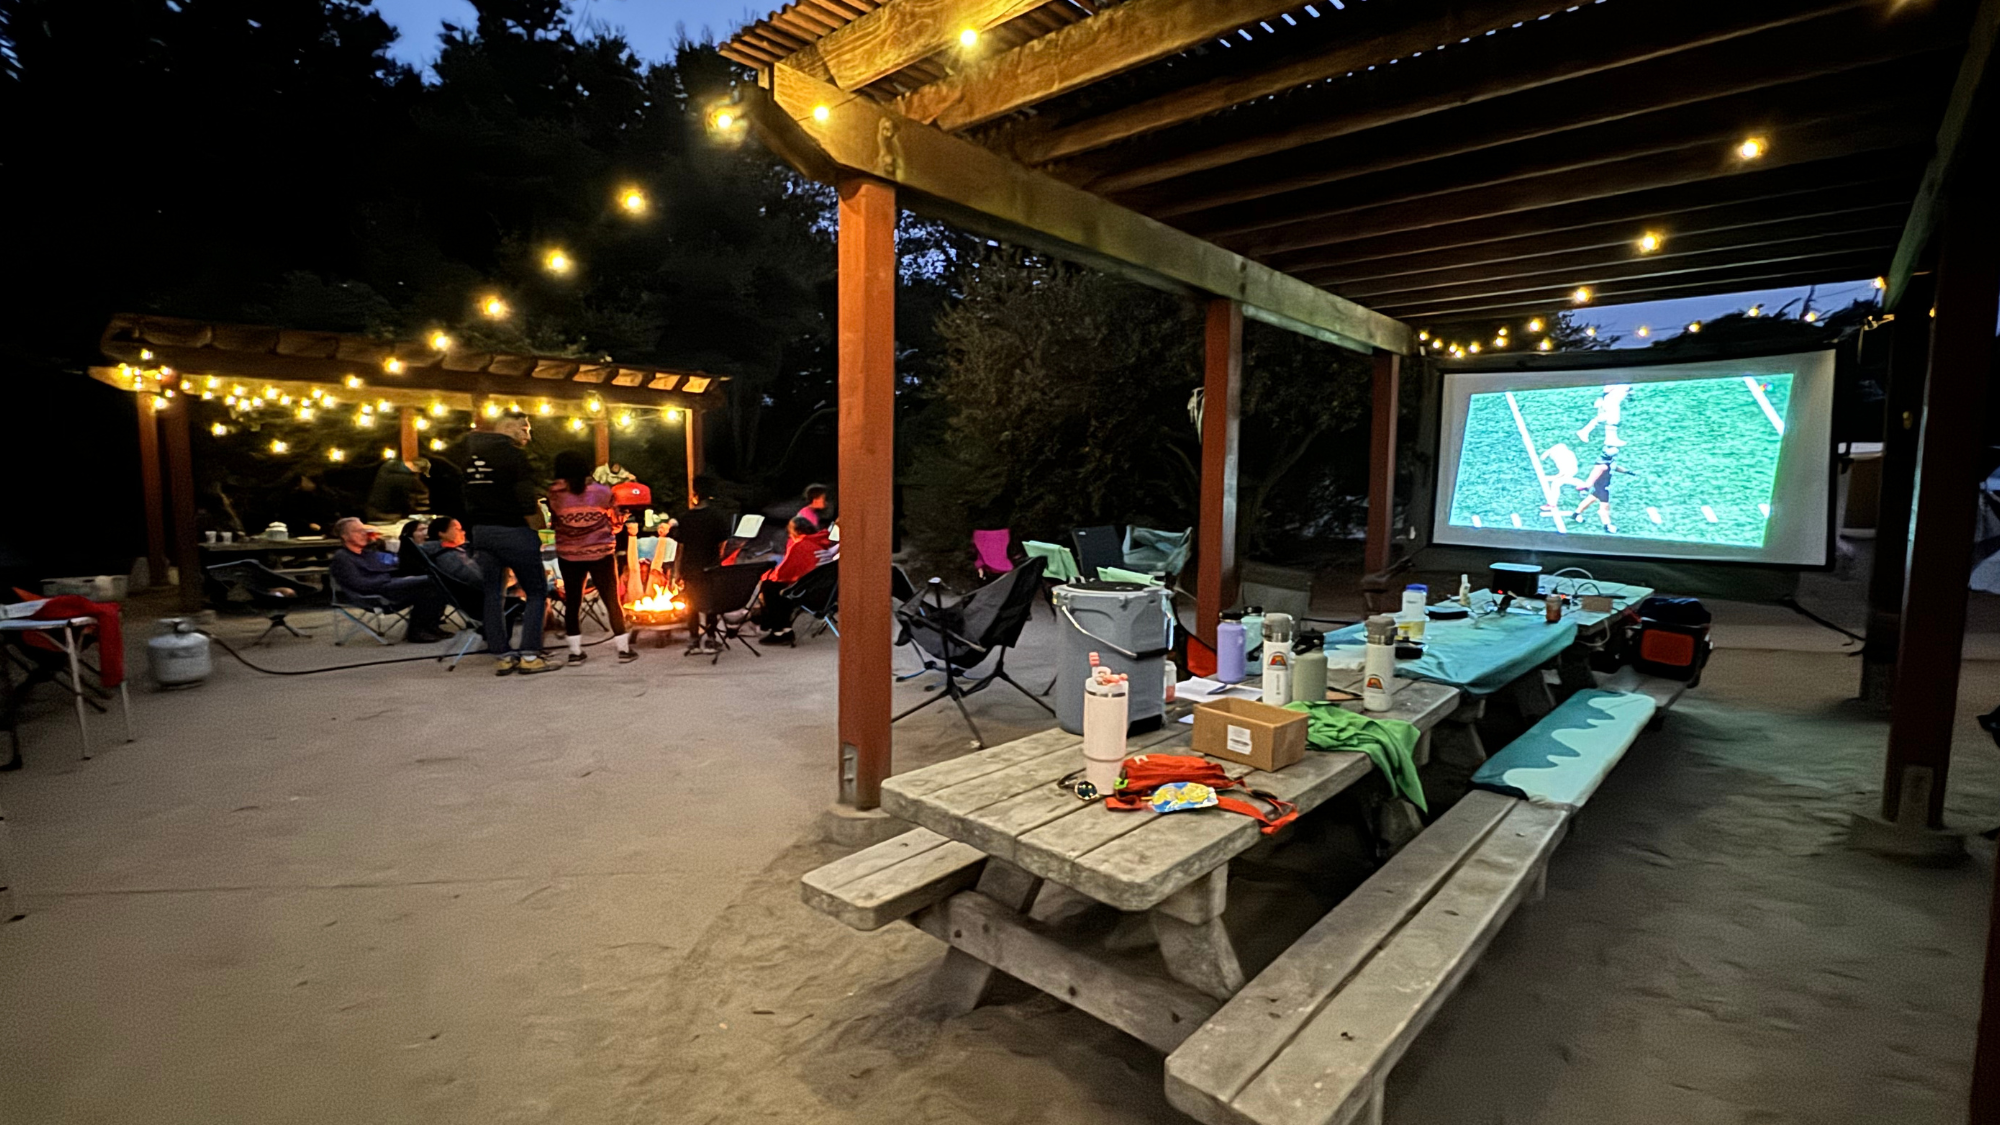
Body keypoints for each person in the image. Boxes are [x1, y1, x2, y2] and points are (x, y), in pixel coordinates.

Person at [463, 410, 556, 675]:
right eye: (524, 428)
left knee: (493, 594)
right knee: (537, 591)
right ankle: (529, 656)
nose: (528, 434)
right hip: (513, 530)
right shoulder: (513, 456)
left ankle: (502, 655)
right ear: (508, 427)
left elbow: (465, 496)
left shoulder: (470, 457)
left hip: (482, 532)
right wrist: (539, 528)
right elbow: (526, 500)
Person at [549, 450, 636, 665]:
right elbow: (615, 525)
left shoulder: (554, 493)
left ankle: (575, 653)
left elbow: (554, 523)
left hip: (569, 554)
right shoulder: (602, 492)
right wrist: (622, 518)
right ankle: (624, 650)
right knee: (612, 600)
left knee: (573, 601)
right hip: (601, 553)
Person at [328, 517, 450, 643]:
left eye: (364, 530)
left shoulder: (368, 553)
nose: (363, 534)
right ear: (345, 536)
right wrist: (388, 579)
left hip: (388, 586)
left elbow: (393, 566)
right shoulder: (343, 557)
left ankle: (429, 628)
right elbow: (359, 584)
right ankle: (418, 632)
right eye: (357, 531)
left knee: (436, 582)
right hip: (376, 594)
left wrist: (378, 544)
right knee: (430, 582)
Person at [669, 474, 734, 652]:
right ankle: (711, 637)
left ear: (695, 494)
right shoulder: (718, 517)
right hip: (710, 566)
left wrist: (677, 571)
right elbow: (722, 544)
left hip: (690, 567)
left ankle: (693, 638)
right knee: (710, 603)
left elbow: (680, 548)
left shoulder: (685, 518)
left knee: (692, 604)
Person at [752, 516, 834, 645]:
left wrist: (766, 576)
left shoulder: (800, 546)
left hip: (806, 594)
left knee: (770, 587)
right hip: (823, 594)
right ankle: (784, 629)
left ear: (793, 531)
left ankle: (778, 631)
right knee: (777, 587)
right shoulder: (821, 543)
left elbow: (784, 572)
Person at [1572, 449, 1638, 533]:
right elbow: (1592, 478)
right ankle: (1607, 525)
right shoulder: (1601, 466)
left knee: (1591, 498)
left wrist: (1627, 472)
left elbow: (1614, 467)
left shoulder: (1609, 461)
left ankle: (1576, 514)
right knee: (1604, 508)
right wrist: (1585, 487)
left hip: (1603, 486)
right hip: (1602, 488)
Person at [1577, 384, 1632, 448]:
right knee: (1613, 419)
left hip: (1611, 401)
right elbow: (1607, 389)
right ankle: (1610, 439)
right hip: (1611, 401)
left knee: (1602, 418)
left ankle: (1584, 431)